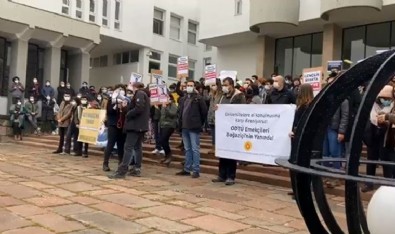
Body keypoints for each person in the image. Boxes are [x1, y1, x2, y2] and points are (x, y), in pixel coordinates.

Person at [108, 82, 150, 179]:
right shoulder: (144, 95)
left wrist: (128, 113)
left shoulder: (139, 93)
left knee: (128, 147)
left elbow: (139, 108)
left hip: (135, 126)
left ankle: (122, 171)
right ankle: (137, 168)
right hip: (140, 126)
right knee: (137, 147)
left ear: (135, 87)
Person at [212, 77, 246, 185]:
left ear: (232, 85)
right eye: (223, 85)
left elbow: (240, 110)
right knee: (222, 152)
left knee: (231, 153)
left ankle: (231, 176)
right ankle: (222, 175)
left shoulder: (239, 96)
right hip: (223, 127)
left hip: (233, 127)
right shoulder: (222, 96)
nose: (225, 87)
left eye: (226, 85)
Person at [361, 85, 394, 192]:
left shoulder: (392, 106)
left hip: (386, 137)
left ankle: (387, 185)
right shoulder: (373, 105)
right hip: (373, 135)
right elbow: (369, 119)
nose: (385, 101)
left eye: (388, 98)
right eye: (382, 97)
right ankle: (369, 183)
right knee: (371, 160)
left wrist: (386, 119)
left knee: (386, 161)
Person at [176, 80, 208, 178]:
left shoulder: (198, 98)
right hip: (184, 127)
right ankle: (187, 168)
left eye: (191, 85)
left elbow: (204, 112)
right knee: (187, 149)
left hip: (194, 127)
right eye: (188, 85)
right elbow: (180, 112)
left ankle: (196, 170)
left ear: (194, 87)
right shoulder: (183, 98)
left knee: (195, 149)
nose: (189, 87)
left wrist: (199, 123)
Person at [322, 75, 349, 188]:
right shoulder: (326, 98)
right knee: (325, 154)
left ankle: (336, 176)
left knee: (335, 153)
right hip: (325, 128)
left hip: (335, 129)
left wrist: (341, 131)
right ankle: (325, 174)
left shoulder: (343, 99)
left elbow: (345, 116)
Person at [102, 85, 128, 171]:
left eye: (122, 90)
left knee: (121, 145)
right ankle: (105, 163)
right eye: (118, 89)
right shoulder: (111, 100)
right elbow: (109, 111)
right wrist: (116, 105)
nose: (120, 91)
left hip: (122, 125)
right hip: (113, 124)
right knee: (111, 143)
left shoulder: (126, 100)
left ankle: (121, 163)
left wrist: (124, 107)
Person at [158, 95, 178, 166]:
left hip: (170, 125)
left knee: (164, 139)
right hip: (163, 124)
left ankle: (169, 155)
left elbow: (172, 114)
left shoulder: (173, 105)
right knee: (162, 140)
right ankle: (167, 156)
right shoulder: (163, 105)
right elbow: (161, 115)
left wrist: (165, 107)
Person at [207, 79, 222, 155]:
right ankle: (213, 148)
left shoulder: (221, 95)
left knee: (217, 134)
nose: (212, 87)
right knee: (213, 134)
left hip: (218, 118)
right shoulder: (211, 95)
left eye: (214, 85)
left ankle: (218, 148)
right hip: (211, 117)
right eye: (212, 85)